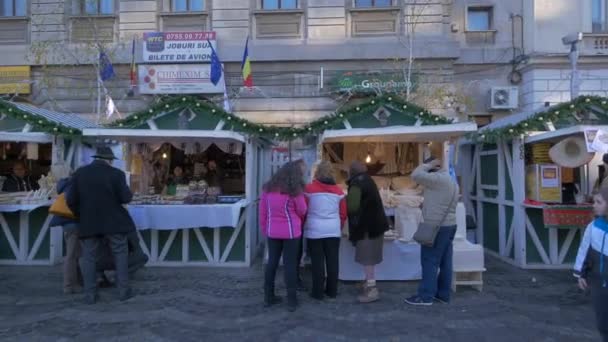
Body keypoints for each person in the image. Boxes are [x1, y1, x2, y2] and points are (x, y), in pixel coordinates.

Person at [67, 146, 136, 304]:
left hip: (89, 222)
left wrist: (81, 215)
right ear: (110, 160)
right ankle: (123, 291)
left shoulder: (80, 173)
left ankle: (90, 294)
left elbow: (70, 200)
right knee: (120, 254)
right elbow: (126, 198)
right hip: (114, 221)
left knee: (89, 258)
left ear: (96, 158)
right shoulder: (116, 174)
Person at [405, 156, 459, 306]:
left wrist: (427, 164)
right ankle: (443, 294)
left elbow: (415, 175)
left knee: (430, 261)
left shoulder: (438, 179)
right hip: (450, 225)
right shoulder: (450, 180)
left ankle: (426, 296)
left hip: (436, 227)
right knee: (445, 262)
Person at [259, 162, 307, 312]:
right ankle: (291, 301)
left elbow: (262, 212)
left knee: (272, 263)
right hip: (291, 232)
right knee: (290, 265)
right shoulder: (295, 191)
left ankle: (268, 297)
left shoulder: (267, 190)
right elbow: (303, 210)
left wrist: (265, 229)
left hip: (272, 231)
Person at [346, 161, 389, 303]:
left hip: (367, 227)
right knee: (370, 257)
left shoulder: (357, 184)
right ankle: (367, 283)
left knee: (367, 258)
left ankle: (372, 290)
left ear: (351, 171)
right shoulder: (368, 179)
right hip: (376, 225)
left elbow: (352, 206)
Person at [304, 161, 347, 300]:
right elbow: (343, 213)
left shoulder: (309, 189)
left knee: (317, 262)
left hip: (314, 229)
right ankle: (332, 291)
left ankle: (317, 293)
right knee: (333, 261)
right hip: (333, 229)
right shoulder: (339, 191)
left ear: (317, 172)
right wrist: (338, 227)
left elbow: (303, 210)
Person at [573, 188, 608, 342]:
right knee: (603, 323)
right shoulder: (593, 227)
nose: (594, 205)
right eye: (594, 202)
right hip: (599, 283)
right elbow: (584, 250)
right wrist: (581, 273)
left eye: (599, 202)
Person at [49, 174, 81, 295]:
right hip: (73, 221)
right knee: (72, 255)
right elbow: (74, 203)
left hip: (66, 222)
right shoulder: (75, 187)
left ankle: (75, 283)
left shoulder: (65, 185)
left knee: (74, 254)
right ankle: (69, 285)